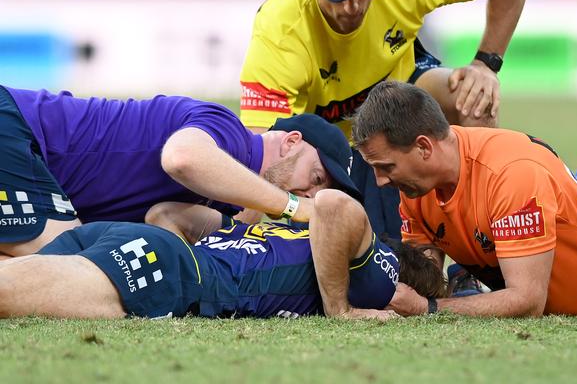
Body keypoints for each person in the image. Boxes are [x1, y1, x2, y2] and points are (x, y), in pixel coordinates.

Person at [239, 0, 533, 239]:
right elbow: (259, 152)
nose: (353, 6)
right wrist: (240, 238)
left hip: (399, 95)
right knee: (371, 248)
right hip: (324, 140)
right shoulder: (280, 30)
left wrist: (485, 64)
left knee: (475, 98)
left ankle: (475, 252)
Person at [352, 81, 577, 317]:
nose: (380, 181)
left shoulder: (511, 173)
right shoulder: (415, 187)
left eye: (387, 167)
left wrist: (429, 308)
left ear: (424, 147)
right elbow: (426, 279)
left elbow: (527, 301)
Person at [0, 85, 359, 258]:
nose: (312, 195)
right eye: (315, 178)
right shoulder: (231, 134)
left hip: (28, 153)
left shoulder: (222, 195)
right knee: (67, 267)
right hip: (17, 131)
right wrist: (292, 207)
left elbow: (161, 220)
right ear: (291, 142)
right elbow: (182, 158)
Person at [0, 190, 444, 320]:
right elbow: (334, 205)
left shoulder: (275, 232)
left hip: (128, 239)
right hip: (168, 271)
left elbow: (165, 212)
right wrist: (342, 309)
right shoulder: (377, 275)